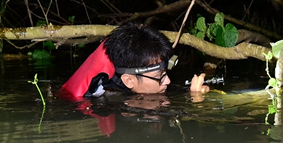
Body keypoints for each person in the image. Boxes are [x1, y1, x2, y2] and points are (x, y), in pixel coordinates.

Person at [60, 22, 210, 100]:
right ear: (129, 81)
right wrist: (195, 100)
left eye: (166, 73)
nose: (168, 81)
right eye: (160, 77)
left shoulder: (131, 64)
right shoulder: (103, 96)